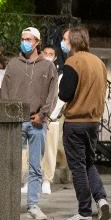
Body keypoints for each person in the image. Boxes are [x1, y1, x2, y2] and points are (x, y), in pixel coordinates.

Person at [1, 26, 59, 219]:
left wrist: (43, 115)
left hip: (37, 122)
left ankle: (33, 205)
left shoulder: (47, 66)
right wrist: (9, 115)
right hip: (16, 121)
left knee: (35, 166)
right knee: (10, 164)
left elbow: (52, 94)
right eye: (22, 38)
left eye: (28, 39)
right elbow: (5, 91)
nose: (24, 42)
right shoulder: (13, 64)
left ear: (36, 42)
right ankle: (8, 203)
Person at [58, 23, 110, 220]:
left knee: (77, 167)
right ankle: (102, 199)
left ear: (73, 41)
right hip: (93, 122)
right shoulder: (99, 63)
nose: (63, 42)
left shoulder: (73, 62)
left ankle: (84, 212)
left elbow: (65, 94)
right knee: (89, 163)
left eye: (65, 39)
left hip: (75, 122)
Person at [40, 44, 64, 193]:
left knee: (49, 151)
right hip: (37, 117)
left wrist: (49, 116)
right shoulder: (36, 70)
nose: (48, 56)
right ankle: (31, 180)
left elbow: (60, 99)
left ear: (55, 57)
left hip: (51, 119)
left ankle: (47, 180)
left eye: (51, 54)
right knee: (34, 151)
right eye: (46, 53)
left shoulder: (59, 75)